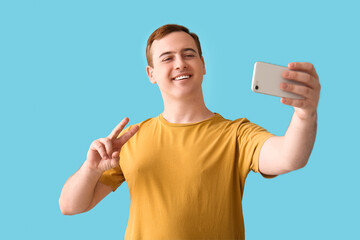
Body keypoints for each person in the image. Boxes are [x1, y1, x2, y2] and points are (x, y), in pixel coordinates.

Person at [59, 24, 321, 239]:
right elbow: (70, 206)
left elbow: (290, 157)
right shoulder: (130, 139)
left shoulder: (236, 134)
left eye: (188, 54)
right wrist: (90, 170)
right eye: (167, 58)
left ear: (203, 65)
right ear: (151, 74)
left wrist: (305, 114)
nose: (180, 63)